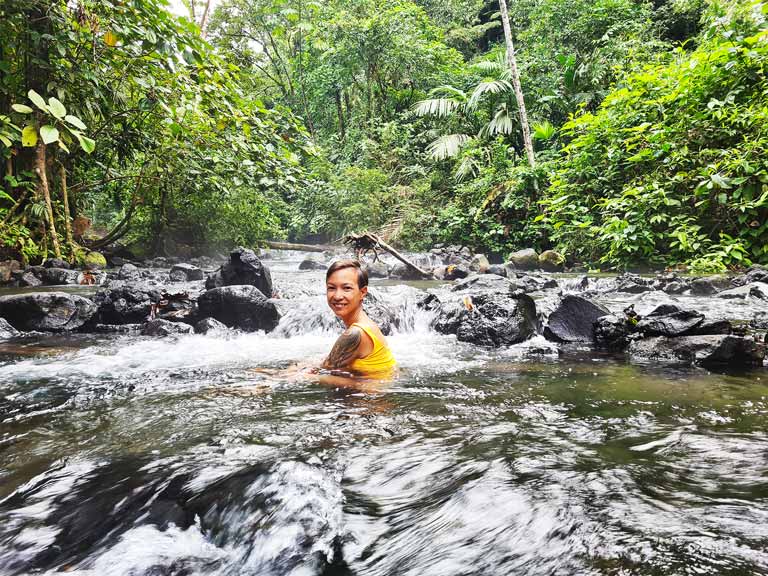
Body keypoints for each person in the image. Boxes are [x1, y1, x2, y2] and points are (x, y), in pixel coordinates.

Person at [319, 259, 396, 380]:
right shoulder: (365, 324)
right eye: (331, 288)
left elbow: (322, 372)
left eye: (347, 288)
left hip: (369, 399)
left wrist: (287, 375)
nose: (337, 296)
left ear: (362, 292)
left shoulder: (356, 333)